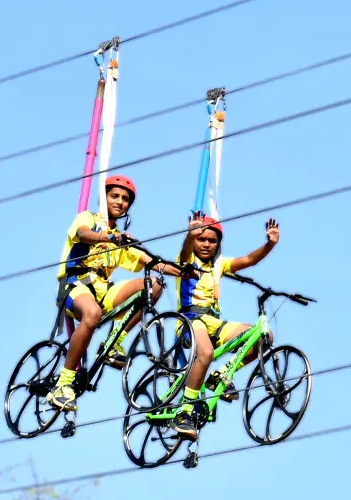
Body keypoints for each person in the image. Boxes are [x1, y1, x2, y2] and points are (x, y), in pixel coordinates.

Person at [47, 175, 173, 412]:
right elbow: (83, 234)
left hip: (103, 293)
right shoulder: (89, 219)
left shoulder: (121, 239)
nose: (120, 202)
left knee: (154, 285)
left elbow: (154, 263)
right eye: (114, 196)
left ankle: (114, 342)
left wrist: (187, 272)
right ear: (104, 198)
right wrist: (109, 236)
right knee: (92, 313)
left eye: (125, 199)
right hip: (75, 286)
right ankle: (62, 385)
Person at [172, 214, 279, 438]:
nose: (206, 244)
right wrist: (189, 236)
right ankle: (184, 411)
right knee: (206, 352)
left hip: (213, 322)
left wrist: (269, 244)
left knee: (262, 337)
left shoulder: (218, 265)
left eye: (212, 241)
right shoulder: (186, 260)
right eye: (202, 240)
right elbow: (183, 252)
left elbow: (249, 260)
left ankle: (218, 376)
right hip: (190, 321)